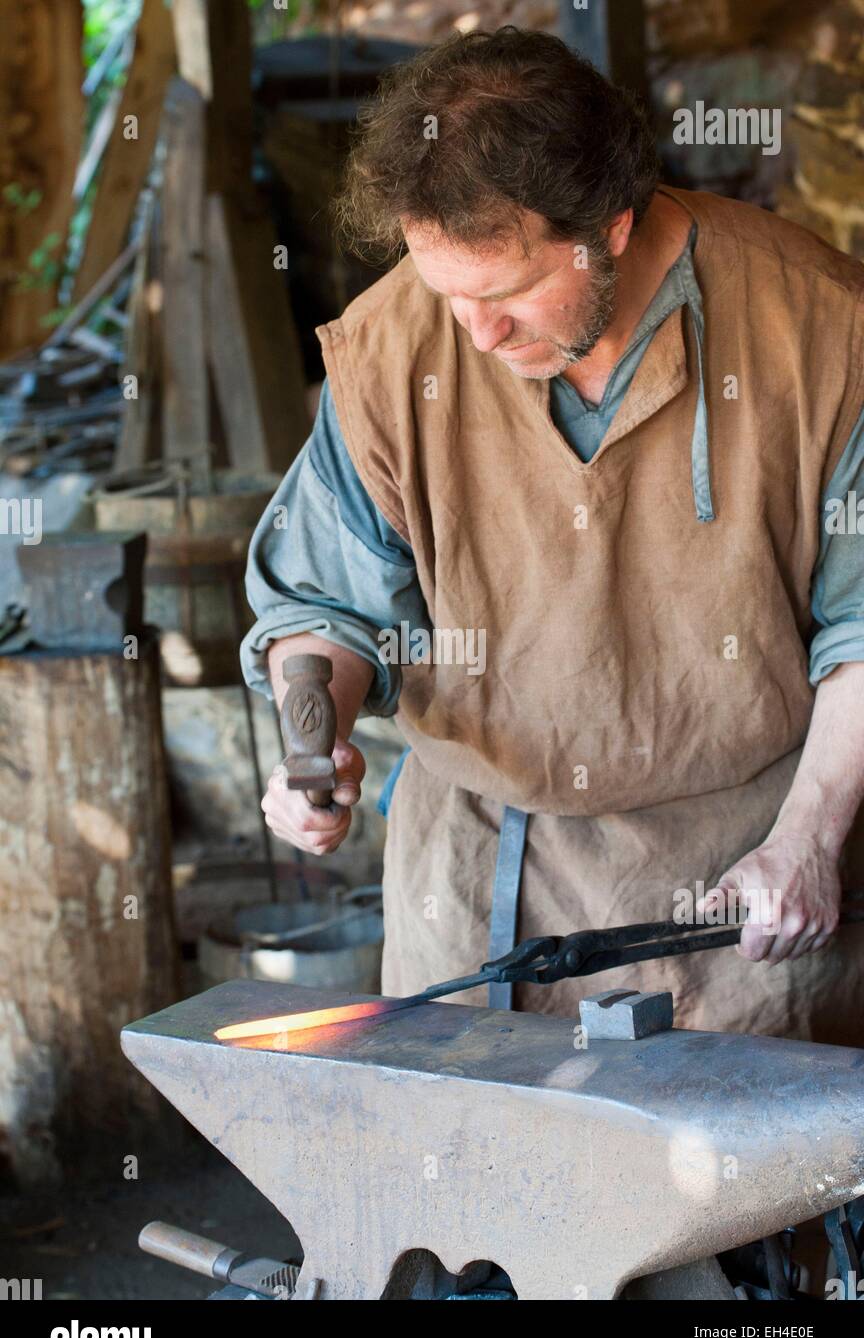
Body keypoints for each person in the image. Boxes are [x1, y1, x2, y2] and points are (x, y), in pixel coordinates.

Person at [241, 28, 864, 1041]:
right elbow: (327, 606)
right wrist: (320, 733)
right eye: (447, 290)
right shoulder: (398, 344)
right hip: (472, 872)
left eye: (505, 293)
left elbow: (862, 625)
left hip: (734, 887)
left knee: (736, 1194)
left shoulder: (823, 333)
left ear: (612, 227)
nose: (474, 334)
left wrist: (809, 838)